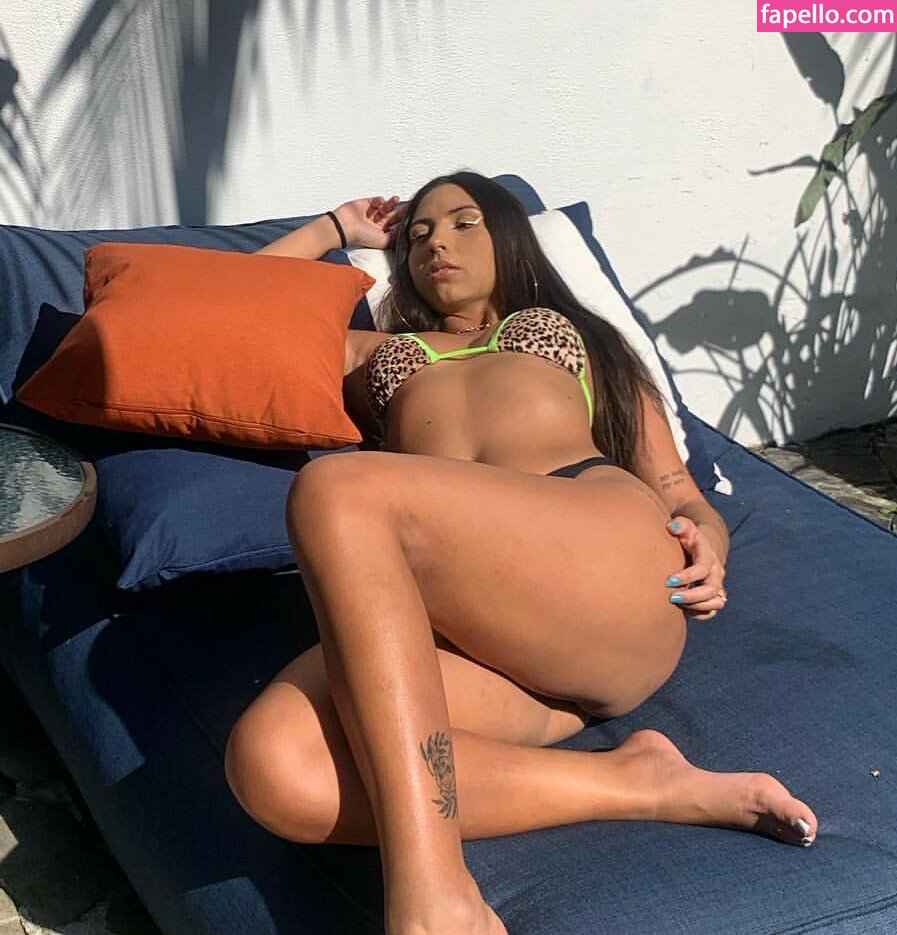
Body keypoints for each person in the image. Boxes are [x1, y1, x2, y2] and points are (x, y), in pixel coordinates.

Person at [224, 172, 817, 935]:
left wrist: (712, 543)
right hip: (478, 629)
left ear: (509, 236)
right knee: (276, 765)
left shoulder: (580, 335)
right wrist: (335, 228)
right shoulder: (373, 352)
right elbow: (232, 307)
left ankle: (432, 893)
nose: (436, 241)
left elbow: (678, 487)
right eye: (418, 233)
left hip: (600, 554)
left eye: (464, 221)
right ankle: (638, 780)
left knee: (336, 490)